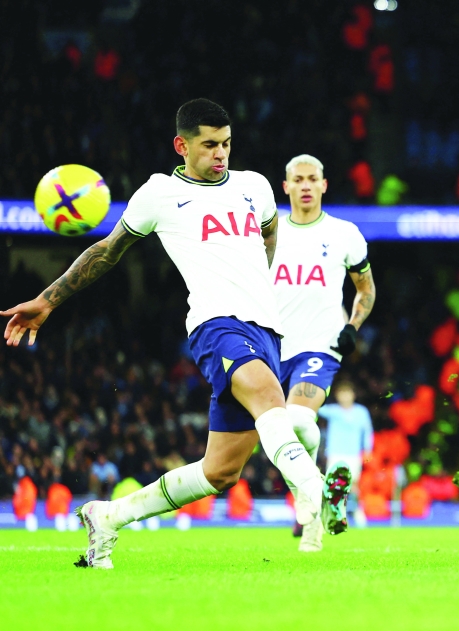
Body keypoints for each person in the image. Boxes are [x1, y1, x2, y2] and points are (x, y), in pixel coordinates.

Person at [2, 99, 342, 569]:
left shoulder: (255, 187)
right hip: (216, 325)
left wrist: (256, 286)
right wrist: (47, 300)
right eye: (208, 145)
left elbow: (268, 235)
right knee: (269, 398)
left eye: (226, 144)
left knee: (221, 471)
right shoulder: (160, 193)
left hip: (266, 330)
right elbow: (107, 251)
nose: (220, 154)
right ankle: (319, 493)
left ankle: (107, 516)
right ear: (182, 145)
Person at [272, 154, 376, 552]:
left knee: (298, 418)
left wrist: (352, 326)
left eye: (312, 179)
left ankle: (312, 500)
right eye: (297, 179)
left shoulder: (345, 233)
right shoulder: (268, 232)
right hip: (270, 346)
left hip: (320, 346)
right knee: (277, 436)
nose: (305, 186)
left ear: (324, 184)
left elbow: (366, 290)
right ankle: (318, 510)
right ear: (286, 187)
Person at [318, 380, 374, 534]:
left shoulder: (361, 412)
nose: (345, 396)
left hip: (353, 454)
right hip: (335, 453)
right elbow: (316, 407)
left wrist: (368, 449)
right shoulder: (332, 410)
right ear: (337, 395)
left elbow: (367, 431)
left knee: (353, 485)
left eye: (347, 393)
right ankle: (330, 516)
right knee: (332, 485)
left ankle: (357, 512)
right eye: (342, 393)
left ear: (353, 395)